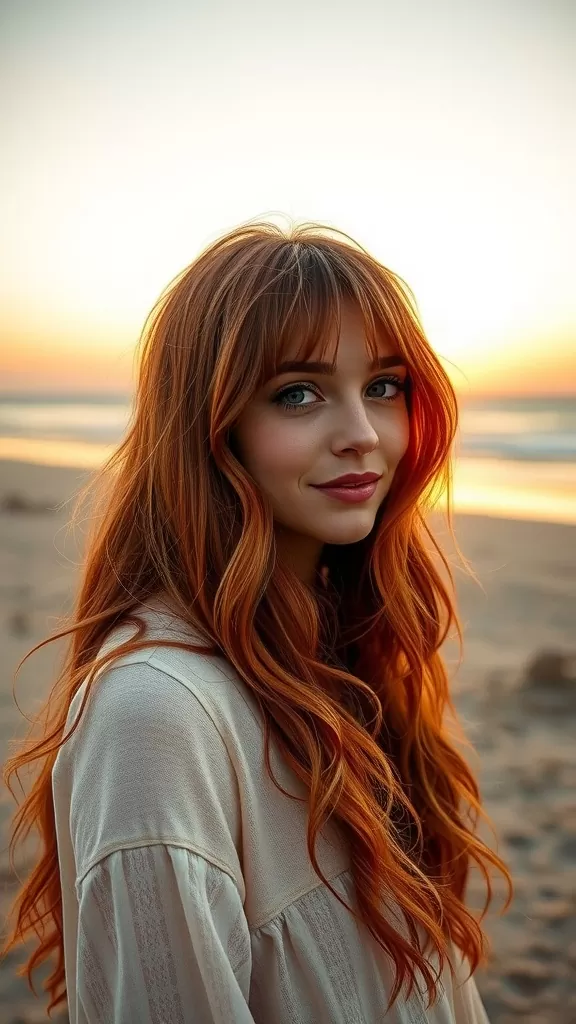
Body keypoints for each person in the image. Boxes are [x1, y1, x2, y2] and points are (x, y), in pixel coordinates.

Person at [2, 219, 512, 1023]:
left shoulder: (339, 654)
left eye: (383, 386)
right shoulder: (155, 716)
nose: (362, 435)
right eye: (298, 394)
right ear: (210, 429)